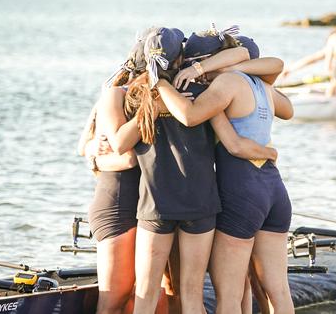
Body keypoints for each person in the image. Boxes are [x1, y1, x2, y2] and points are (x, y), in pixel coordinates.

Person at [107, 26, 279, 314]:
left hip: (155, 204)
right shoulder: (206, 89)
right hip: (201, 204)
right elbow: (246, 55)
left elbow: (121, 144)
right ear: (180, 59)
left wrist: (152, 101)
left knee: (146, 294)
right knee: (191, 293)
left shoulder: (138, 97)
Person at [154, 32, 295, 314]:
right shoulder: (264, 88)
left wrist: (161, 84)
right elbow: (287, 107)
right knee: (278, 290)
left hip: (242, 190)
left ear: (205, 60)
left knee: (229, 297)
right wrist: (270, 152)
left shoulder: (223, 85)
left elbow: (197, 120)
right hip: (274, 190)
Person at [77, 36, 157, 314]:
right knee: (114, 299)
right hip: (118, 204)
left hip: (146, 208)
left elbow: (84, 146)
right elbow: (125, 157)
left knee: (139, 297)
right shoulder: (116, 95)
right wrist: (94, 154)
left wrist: (92, 154)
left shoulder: (144, 96)